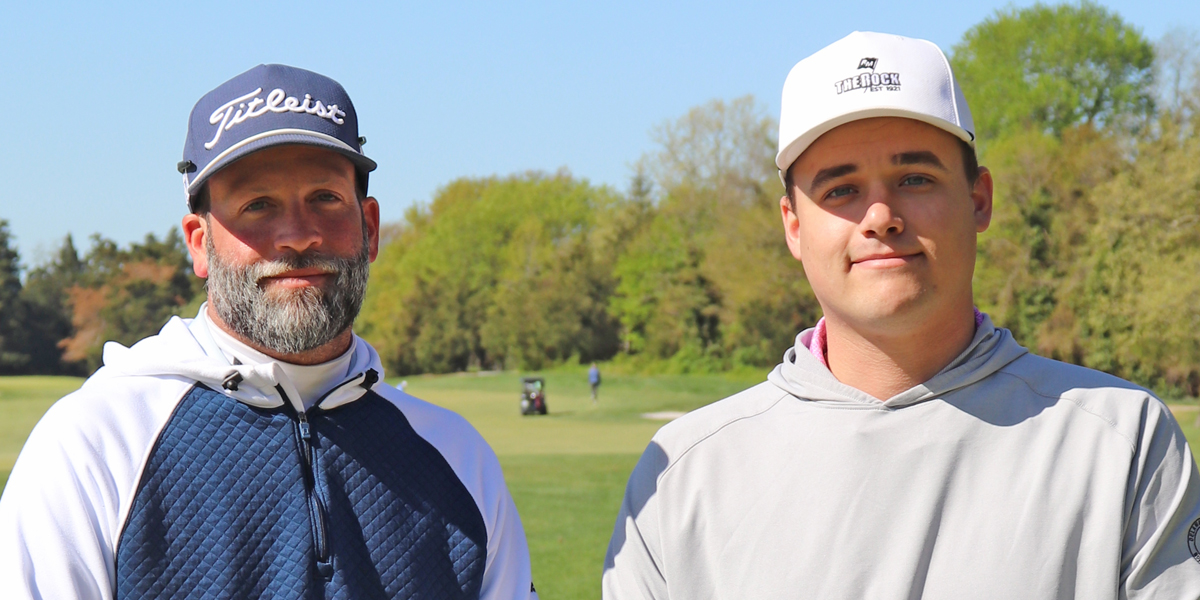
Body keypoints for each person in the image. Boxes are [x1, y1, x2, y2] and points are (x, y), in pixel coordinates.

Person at [603, 32, 1200, 599]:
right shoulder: (682, 476)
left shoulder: (1121, 440)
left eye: (915, 179)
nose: (881, 217)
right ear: (793, 226)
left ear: (978, 200)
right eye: (840, 190)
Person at [0, 64, 538, 599]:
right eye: (257, 205)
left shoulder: (459, 458)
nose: (298, 236)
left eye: (325, 198)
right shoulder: (95, 446)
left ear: (370, 228)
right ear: (199, 244)